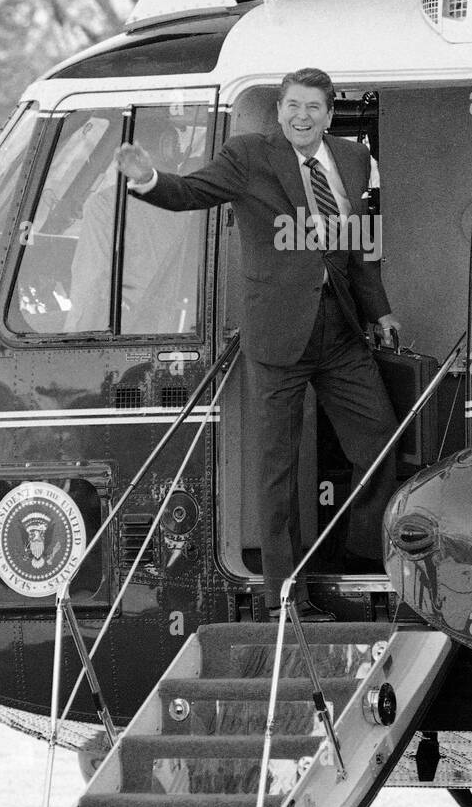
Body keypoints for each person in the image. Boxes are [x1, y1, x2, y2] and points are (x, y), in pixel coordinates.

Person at [115, 68, 400, 622]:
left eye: (314, 107)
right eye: (293, 105)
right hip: (277, 336)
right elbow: (191, 191)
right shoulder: (248, 156)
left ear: (329, 113)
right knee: (278, 472)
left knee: (379, 447)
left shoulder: (353, 159)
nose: (302, 116)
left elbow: (360, 245)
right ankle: (283, 595)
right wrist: (150, 179)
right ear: (279, 111)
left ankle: (353, 558)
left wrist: (380, 308)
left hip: (339, 332)